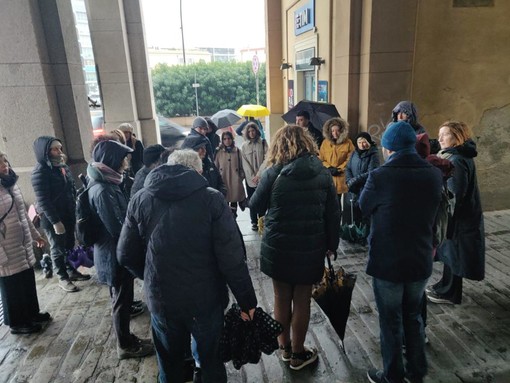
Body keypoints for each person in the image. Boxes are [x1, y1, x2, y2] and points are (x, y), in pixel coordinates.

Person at [117, 149, 257, 383]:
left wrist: (150, 275)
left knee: (169, 364)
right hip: (205, 299)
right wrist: (247, 301)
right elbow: (231, 258)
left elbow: (124, 254)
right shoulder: (211, 199)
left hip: (162, 298)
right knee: (211, 361)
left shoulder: (141, 198)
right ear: (198, 171)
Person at [250, 125, 340, 371]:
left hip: (278, 247)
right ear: (307, 143)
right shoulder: (321, 173)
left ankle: (285, 349)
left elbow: (255, 205)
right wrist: (332, 245)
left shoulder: (273, 172)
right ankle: (299, 353)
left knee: (281, 298)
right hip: (311, 247)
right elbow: (333, 213)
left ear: (279, 145)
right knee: (302, 300)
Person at [359, 121, 442, 383]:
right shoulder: (432, 173)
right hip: (420, 258)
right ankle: (417, 371)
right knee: (413, 316)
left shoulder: (381, 176)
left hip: (388, 262)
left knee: (391, 320)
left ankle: (393, 375)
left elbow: (363, 207)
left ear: (388, 147)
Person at [87, 140, 154, 360]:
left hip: (115, 252)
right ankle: (124, 345)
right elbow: (116, 226)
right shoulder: (103, 189)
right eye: (124, 158)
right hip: (112, 254)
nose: (127, 162)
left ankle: (126, 338)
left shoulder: (108, 182)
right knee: (121, 301)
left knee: (122, 298)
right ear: (113, 159)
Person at [426, 121, 485, 305]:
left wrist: (446, 217)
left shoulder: (456, 160)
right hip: (461, 217)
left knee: (455, 254)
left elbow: (455, 195)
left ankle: (451, 293)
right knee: (450, 252)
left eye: (446, 135)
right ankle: (445, 285)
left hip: (459, 218)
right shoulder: (455, 155)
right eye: (440, 133)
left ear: (457, 137)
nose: (441, 138)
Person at [0, 151, 51, 335]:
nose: (4, 165)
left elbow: (23, 215)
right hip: (5, 247)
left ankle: (32, 313)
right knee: (12, 285)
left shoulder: (10, 185)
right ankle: (17, 322)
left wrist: (35, 235)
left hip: (20, 242)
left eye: (5, 161)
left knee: (26, 279)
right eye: (0, 163)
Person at [31, 136, 90, 293]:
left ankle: (71, 270)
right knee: (57, 248)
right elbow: (43, 200)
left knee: (69, 244)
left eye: (60, 148)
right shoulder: (40, 171)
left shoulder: (61, 166)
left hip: (68, 213)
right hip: (52, 218)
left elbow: (70, 188)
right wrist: (55, 221)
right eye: (55, 149)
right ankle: (62, 277)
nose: (59, 152)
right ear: (45, 152)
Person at [318, 117, 355, 222]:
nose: (335, 133)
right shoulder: (325, 143)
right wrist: (328, 167)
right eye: (333, 130)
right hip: (330, 177)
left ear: (341, 131)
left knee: (347, 204)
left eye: (337, 130)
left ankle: (346, 225)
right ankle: (335, 223)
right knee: (334, 204)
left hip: (343, 177)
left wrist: (339, 168)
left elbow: (351, 158)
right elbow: (321, 158)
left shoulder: (348, 143)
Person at [344, 132, 380, 229]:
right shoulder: (354, 153)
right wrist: (348, 180)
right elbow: (348, 168)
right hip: (354, 189)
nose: (362, 145)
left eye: (364, 142)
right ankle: (355, 235)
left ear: (369, 142)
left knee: (365, 214)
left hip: (366, 188)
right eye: (359, 142)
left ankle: (364, 236)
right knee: (354, 213)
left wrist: (355, 180)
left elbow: (371, 172)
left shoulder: (373, 154)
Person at [240, 122, 267, 231]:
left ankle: (261, 220)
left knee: (262, 200)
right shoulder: (244, 146)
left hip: (262, 177)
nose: (251, 133)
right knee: (252, 200)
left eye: (253, 131)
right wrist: (252, 177)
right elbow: (244, 163)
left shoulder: (263, 143)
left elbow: (267, 159)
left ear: (257, 131)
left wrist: (259, 174)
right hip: (250, 179)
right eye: (249, 131)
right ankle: (254, 222)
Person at [214, 131, 247, 217]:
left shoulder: (238, 151)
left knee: (234, 205)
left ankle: (234, 221)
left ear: (232, 139)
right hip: (223, 182)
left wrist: (240, 177)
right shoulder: (219, 152)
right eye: (225, 139)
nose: (227, 141)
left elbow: (242, 166)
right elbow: (216, 167)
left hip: (235, 183)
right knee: (224, 206)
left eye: (229, 138)